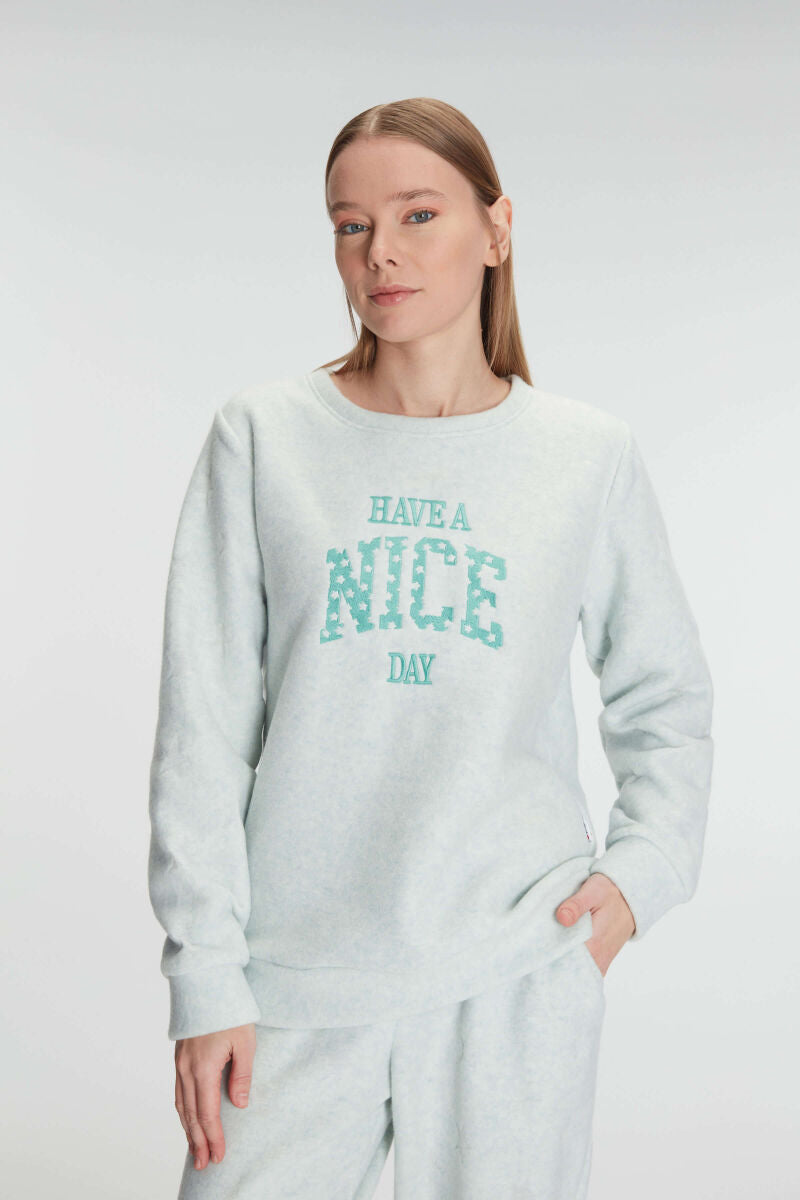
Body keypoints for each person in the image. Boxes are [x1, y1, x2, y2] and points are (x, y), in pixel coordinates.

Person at [147, 96, 715, 1199]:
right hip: (292, 981)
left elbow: (666, 700)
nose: (381, 252)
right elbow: (201, 730)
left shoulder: (582, 456)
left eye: (417, 214)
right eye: (350, 225)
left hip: (515, 967)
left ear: (495, 230)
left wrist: (638, 880)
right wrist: (204, 978)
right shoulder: (263, 438)